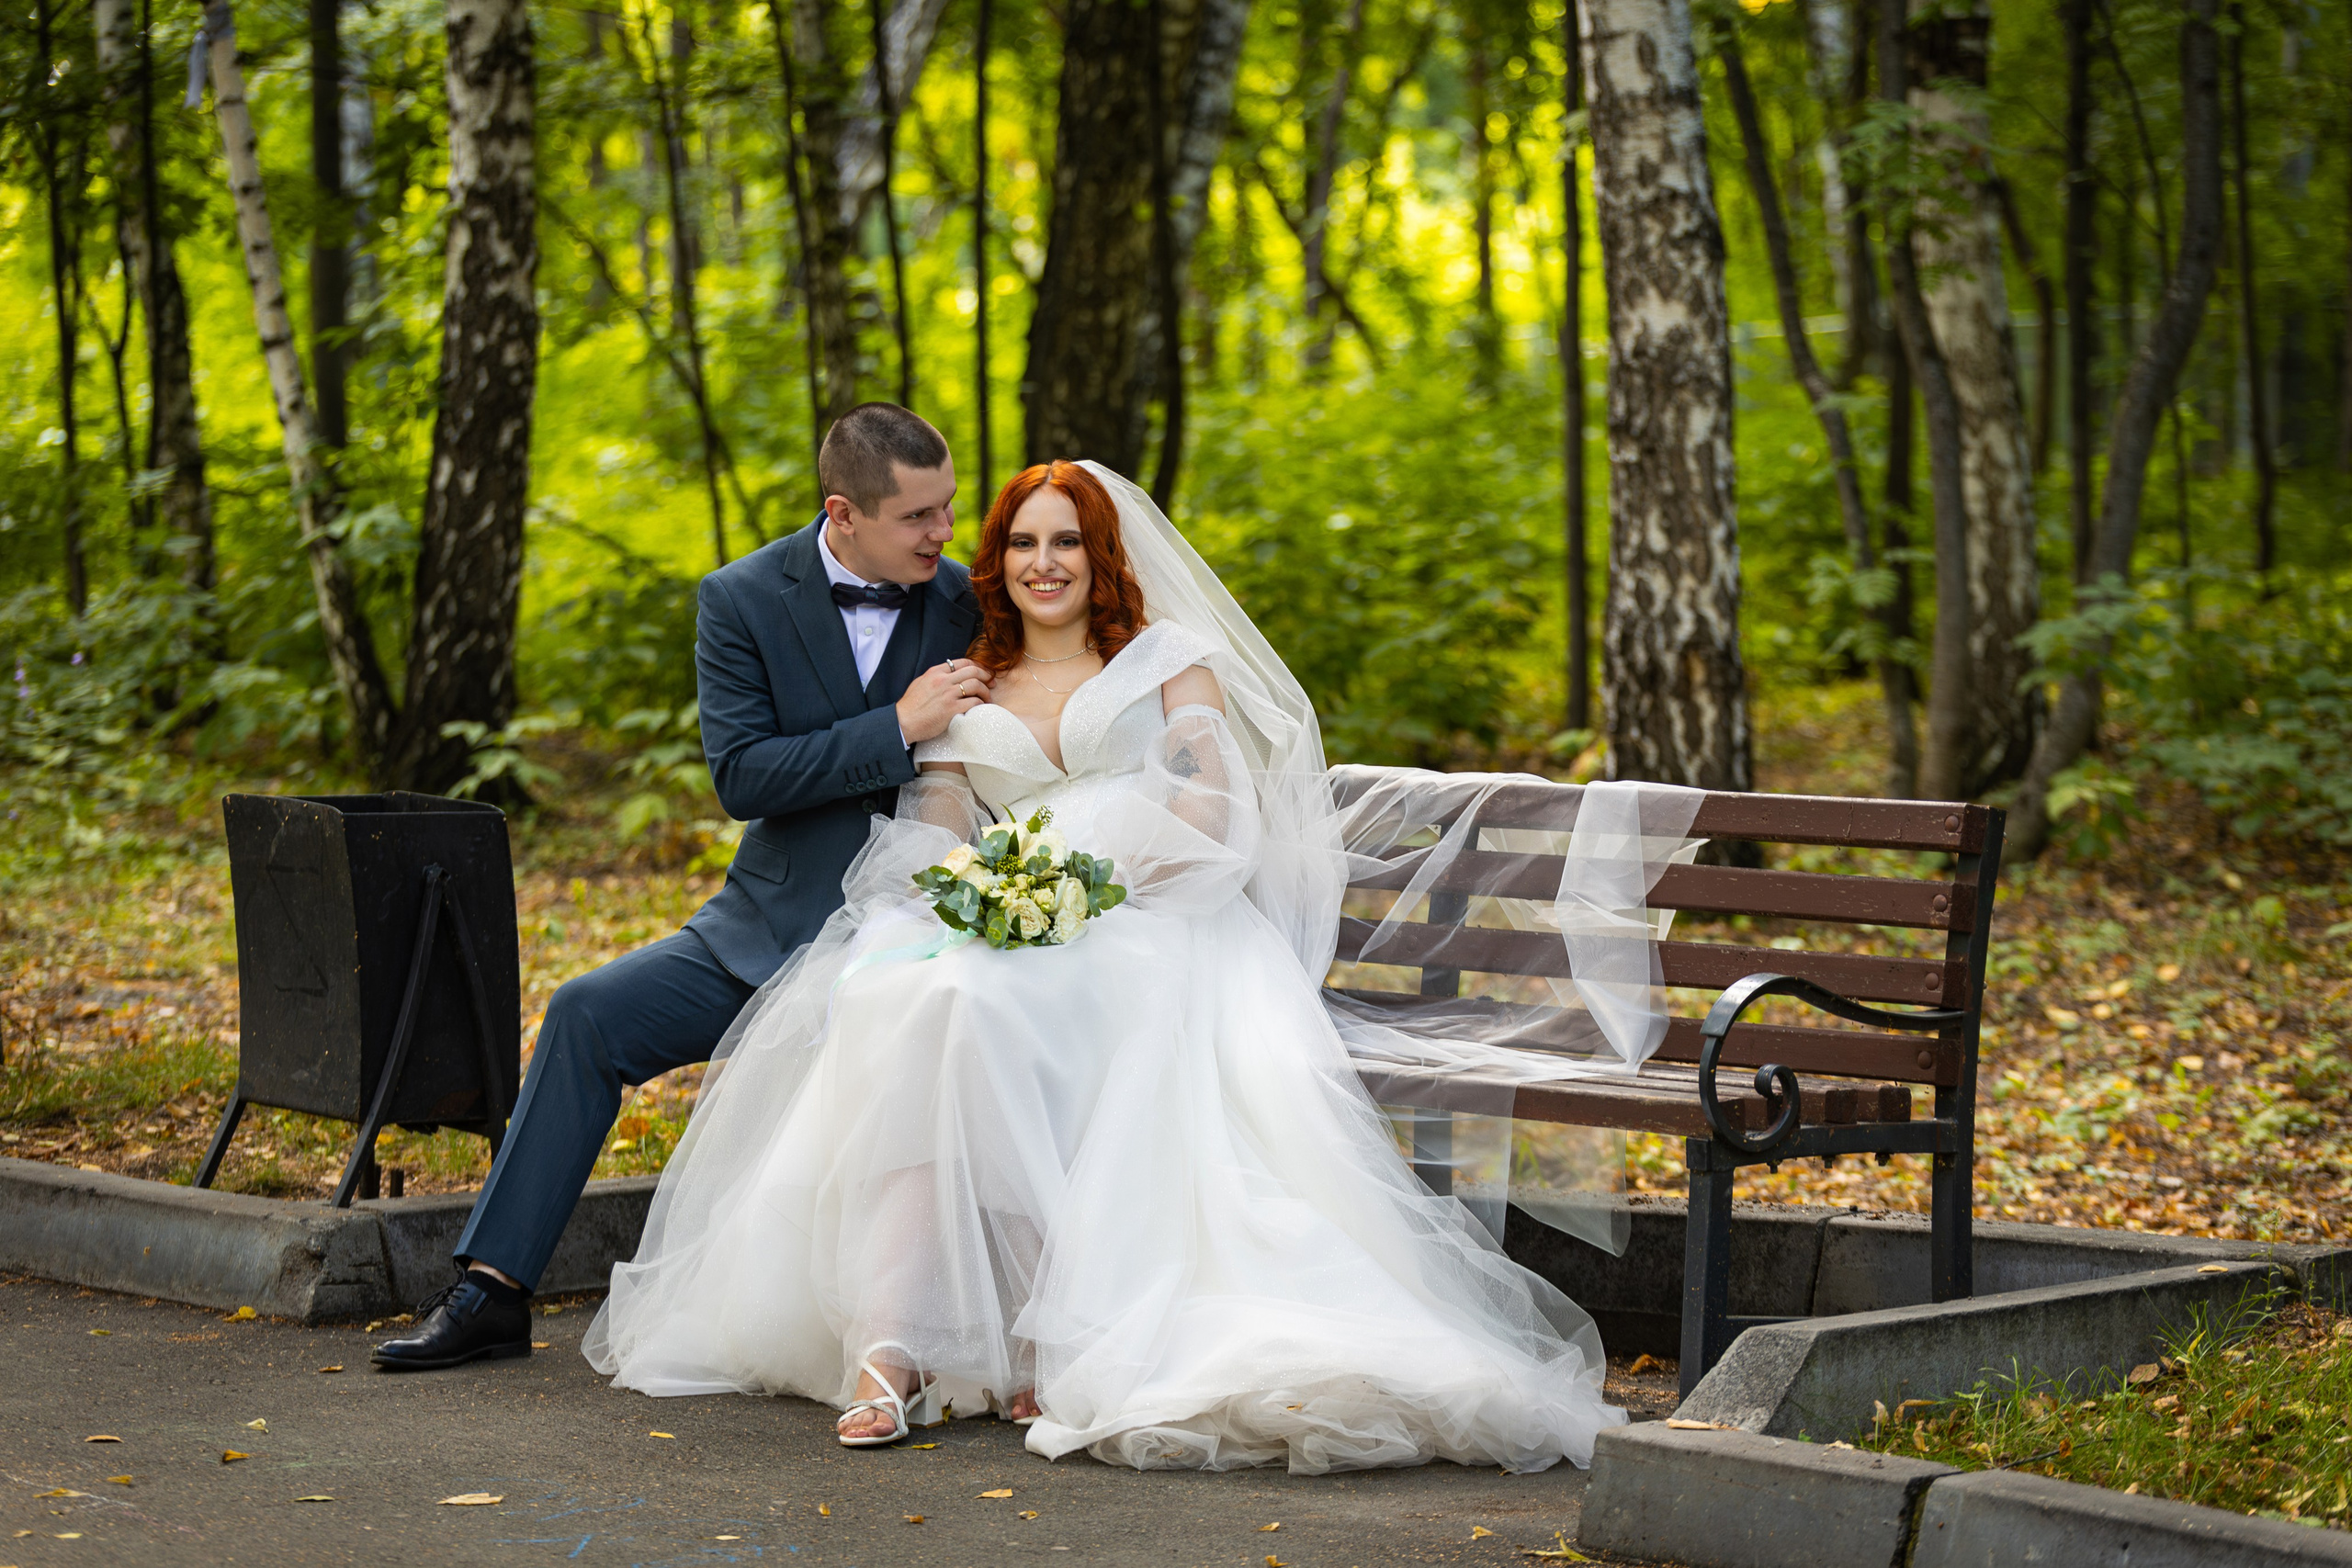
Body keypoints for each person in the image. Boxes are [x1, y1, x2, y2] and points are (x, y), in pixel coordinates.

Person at [581, 461, 1629, 1474]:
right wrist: (976, 891)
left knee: (973, 1003)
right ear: (997, 560)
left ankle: (1019, 1335)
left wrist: (1086, 885)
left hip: (1146, 912)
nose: (1046, 562)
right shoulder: (964, 676)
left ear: (1102, 553)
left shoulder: (1168, 659)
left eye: (1067, 541)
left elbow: (1214, 811)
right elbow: (941, 817)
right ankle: (895, 1344)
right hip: (1004, 914)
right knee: (907, 993)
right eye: (1024, 542)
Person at [373, 404, 992, 1371]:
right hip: (768, 926)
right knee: (586, 1015)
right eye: (919, 516)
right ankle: (493, 1290)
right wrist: (895, 727)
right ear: (843, 513)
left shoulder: (969, 601)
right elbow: (742, 777)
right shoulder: (741, 599)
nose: (944, 532)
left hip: (915, 942)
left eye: (948, 507)